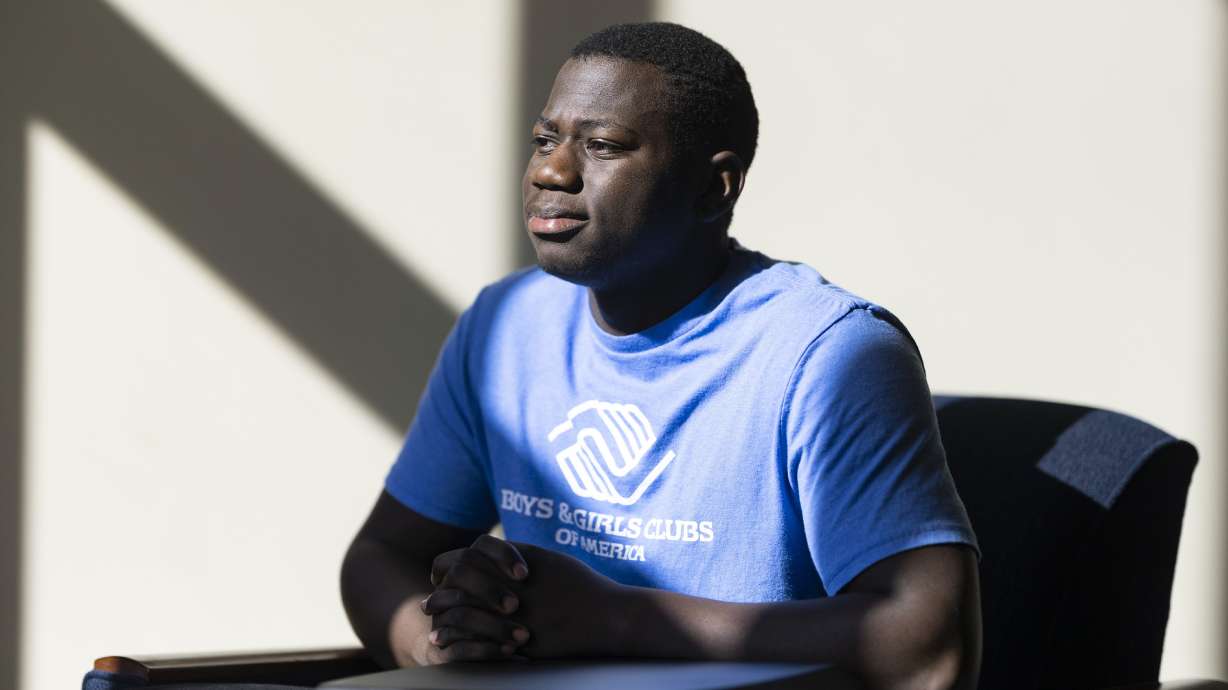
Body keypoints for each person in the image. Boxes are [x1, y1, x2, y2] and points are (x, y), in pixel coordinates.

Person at [341, 22, 981, 690]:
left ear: (715, 188)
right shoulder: (506, 327)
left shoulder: (828, 353)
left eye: (603, 145)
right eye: (544, 139)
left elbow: (929, 649)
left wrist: (614, 619)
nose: (551, 171)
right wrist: (446, 643)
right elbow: (384, 554)